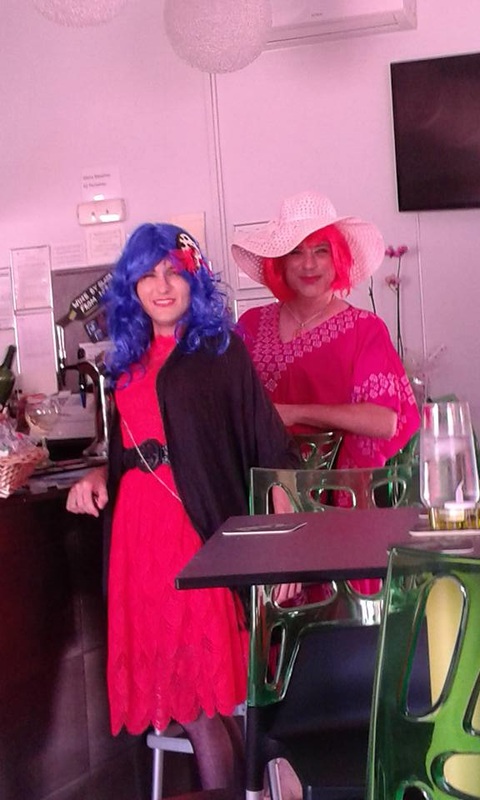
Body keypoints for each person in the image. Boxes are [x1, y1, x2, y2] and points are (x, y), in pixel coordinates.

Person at [66, 223, 299, 798]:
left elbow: (271, 447)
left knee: (201, 706)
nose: (162, 285)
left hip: (196, 538)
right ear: (132, 288)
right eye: (147, 275)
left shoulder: (220, 352)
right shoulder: (126, 362)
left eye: (174, 271)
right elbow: (124, 451)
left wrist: (285, 551)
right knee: (197, 706)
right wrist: (96, 475)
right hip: (138, 540)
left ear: (195, 279)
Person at [232, 190, 420, 479]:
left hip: (339, 492)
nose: (309, 264)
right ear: (279, 262)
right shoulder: (251, 324)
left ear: (338, 259)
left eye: (321, 251)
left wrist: (294, 413)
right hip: (257, 489)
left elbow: (384, 421)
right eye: (296, 251)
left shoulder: (364, 329)